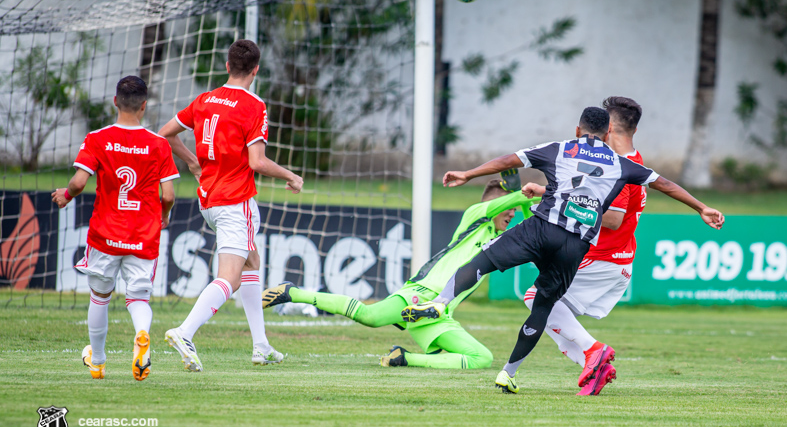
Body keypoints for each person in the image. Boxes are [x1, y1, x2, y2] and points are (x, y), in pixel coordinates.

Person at [403, 106, 725, 394]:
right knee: (542, 306)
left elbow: (509, 161)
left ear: (577, 129)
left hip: (540, 229)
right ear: (607, 132)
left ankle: (440, 303)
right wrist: (701, 207)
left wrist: (468, 174)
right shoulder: (622, 165)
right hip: (573, 247)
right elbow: (665, 184)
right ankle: (508, 373)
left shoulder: (558, 149)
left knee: (481, 261)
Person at [262, 174, 539, 369]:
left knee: (482, 358)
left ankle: (404, 358)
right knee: (370, 317)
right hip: (421, 293)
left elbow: (532, 222)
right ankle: (292, 292)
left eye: (514, 210)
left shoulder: (498, 237)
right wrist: (522, 192)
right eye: (509, 209)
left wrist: (525, 200)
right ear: (494, 204)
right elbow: (506, 203)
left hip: (439, 313)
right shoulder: (476, 215)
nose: (512, 214)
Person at [158, 39, 303, 373]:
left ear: (227, 66)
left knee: (251, 261)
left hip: (208, 200)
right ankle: (185, 332)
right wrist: (291, 176)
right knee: (231, 278)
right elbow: (257, 161)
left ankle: (260, 346)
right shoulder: (253, 106)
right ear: (255, 70)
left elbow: (165, 133)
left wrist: (192, 161)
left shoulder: (205, 99)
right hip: (235, 201)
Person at [52, 76, 179, 381]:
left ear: (115, 102)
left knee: (99, 297)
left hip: (106, 234)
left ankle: (97, 362)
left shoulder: (98, 138)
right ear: (144, 106)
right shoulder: (159, 144)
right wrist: (164, 216)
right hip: (143, 233)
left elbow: (79, 181)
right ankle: (142, 335)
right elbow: (169, 195)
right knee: (138, 299)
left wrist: (66, 195)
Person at [522, 96, 645, 396]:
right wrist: (545, 192)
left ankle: (594, 351)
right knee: (547, 309)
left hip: (606, 257)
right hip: (615, 259)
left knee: (537, 298)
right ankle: (595, 366)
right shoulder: (627, 162)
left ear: (610, 128)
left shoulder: (620, 165)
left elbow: (613, 218)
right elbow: (589, 195)